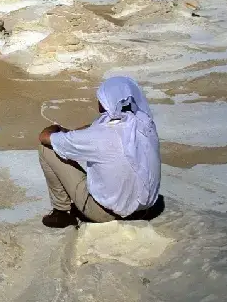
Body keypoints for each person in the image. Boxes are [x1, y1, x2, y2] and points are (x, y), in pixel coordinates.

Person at [37, 76, 160, 228]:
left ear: (104, 103)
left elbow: (44, 137)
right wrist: (72, 132)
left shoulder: (99, 136)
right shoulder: (146, 124)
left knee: (46, 149)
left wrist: (56, 128)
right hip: (145, 209)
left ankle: (61, 212)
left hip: (106, 213)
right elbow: (95, 127)